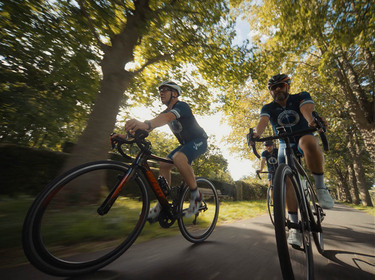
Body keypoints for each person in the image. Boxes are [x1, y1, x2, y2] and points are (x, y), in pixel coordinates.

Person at [250, 73, 334, 246]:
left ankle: (321, 187)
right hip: (284, 143)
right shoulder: (268, 107)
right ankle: (294, 227)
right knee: (287, 178)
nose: (277, 89)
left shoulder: (300, 97)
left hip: (302, 135)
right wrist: (256, 134)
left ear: (288, 86)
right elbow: (263, 121)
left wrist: (311, 121)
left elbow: (306, 109)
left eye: (280, 85)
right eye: (273, 88)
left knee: (309, 141)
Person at [112, 81, 208, 222]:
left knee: (178, 158)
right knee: (163, 165)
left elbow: (166, 118)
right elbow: (149, 127)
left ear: (175, 93)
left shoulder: (182, 106)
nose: (161, 92)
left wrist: (146, 123)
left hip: (199, 140)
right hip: (186, 144)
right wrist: (126, 136)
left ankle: (196, 196)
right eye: (160, 90)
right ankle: (162, 205)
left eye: (165, 89)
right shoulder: (164, 113)